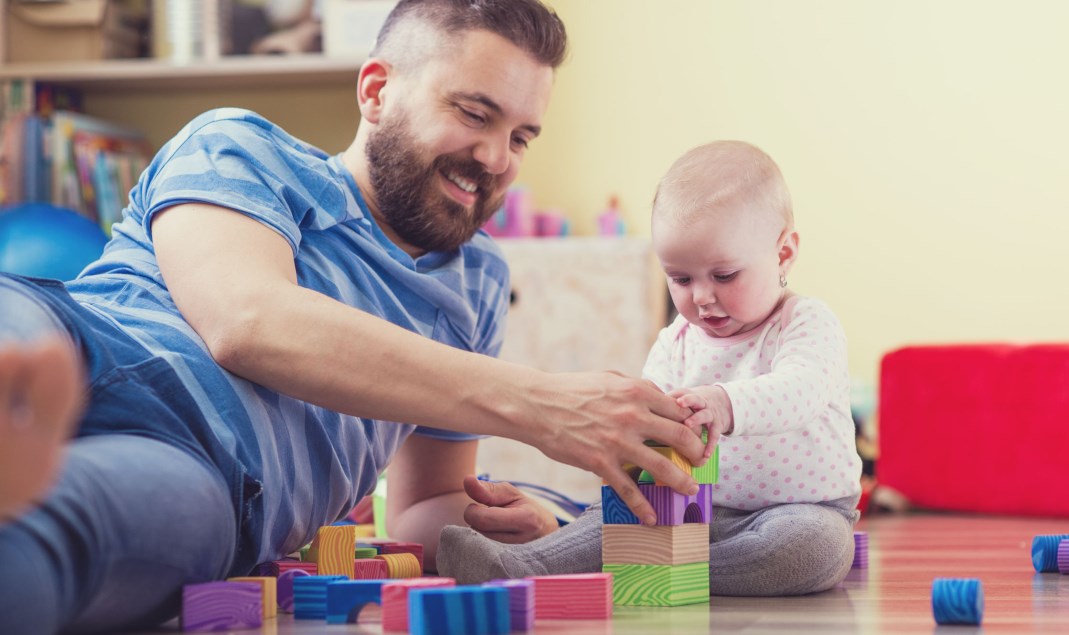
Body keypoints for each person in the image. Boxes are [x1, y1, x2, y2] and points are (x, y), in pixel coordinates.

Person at [0, 1, 707, 633]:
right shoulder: (243, 146)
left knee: (57, 534)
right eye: (473, 113)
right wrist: (540, 403)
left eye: (521, 137)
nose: (494, 158)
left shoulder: (477, 283)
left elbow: (421, 505)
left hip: (213, 472)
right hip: (84, 337)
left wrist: (528, 528)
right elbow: (247, 320)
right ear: (376, 90)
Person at [438, 140, 863, 596]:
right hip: (684, 507)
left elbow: (800, 390)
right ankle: (524, 564)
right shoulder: (675, 339)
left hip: (796, 511)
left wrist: (724, 403)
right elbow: (645, 420)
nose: (700, 297)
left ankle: (659, 569)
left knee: (813, 549)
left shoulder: (804, 322)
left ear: (782, 255)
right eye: (681, 279)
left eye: (724, 276)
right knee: (616, 512)